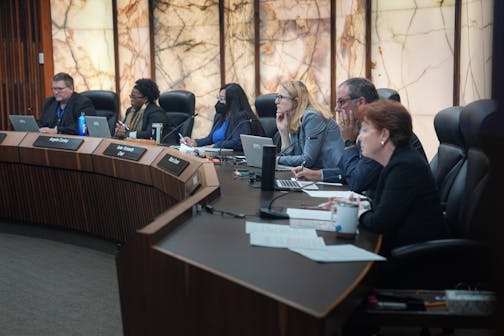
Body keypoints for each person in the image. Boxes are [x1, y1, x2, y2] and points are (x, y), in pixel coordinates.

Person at [293, 77, 426, 198]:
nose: (337, 108)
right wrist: (317, 174)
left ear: (361, 102)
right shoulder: (365, 129)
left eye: (341, 102)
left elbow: (357, 181)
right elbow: (351, 171)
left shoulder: (383, 133)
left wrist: (349, 142)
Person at [356, 99, 449, 255]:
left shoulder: (405, 167)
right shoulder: (398, 161)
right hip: (403, 249)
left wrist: (358, 212)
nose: (359, 138)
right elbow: (383, 208)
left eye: (365, 130)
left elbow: (380, 223)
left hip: (417, 262)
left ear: (384, 134)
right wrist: (356, 205)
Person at [275, 80, 344, 168]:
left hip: (331, 175)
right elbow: (292, 158)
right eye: (277, 97)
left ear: (296, 101)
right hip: (311, 174)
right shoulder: (293, 118)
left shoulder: (312, 117)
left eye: (280, 97)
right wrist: (283, 131)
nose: (276, 101)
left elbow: (307, 160)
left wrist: (278, 160)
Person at [181, 83, 264, 151]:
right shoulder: (220, 116)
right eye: (219, 98)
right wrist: (194, 142)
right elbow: (210, 139)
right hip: (217, 156)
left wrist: (215, 146)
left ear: (233, 101)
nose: (219, 102)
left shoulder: (242, 118)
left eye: (222, 99)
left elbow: (238, 142)